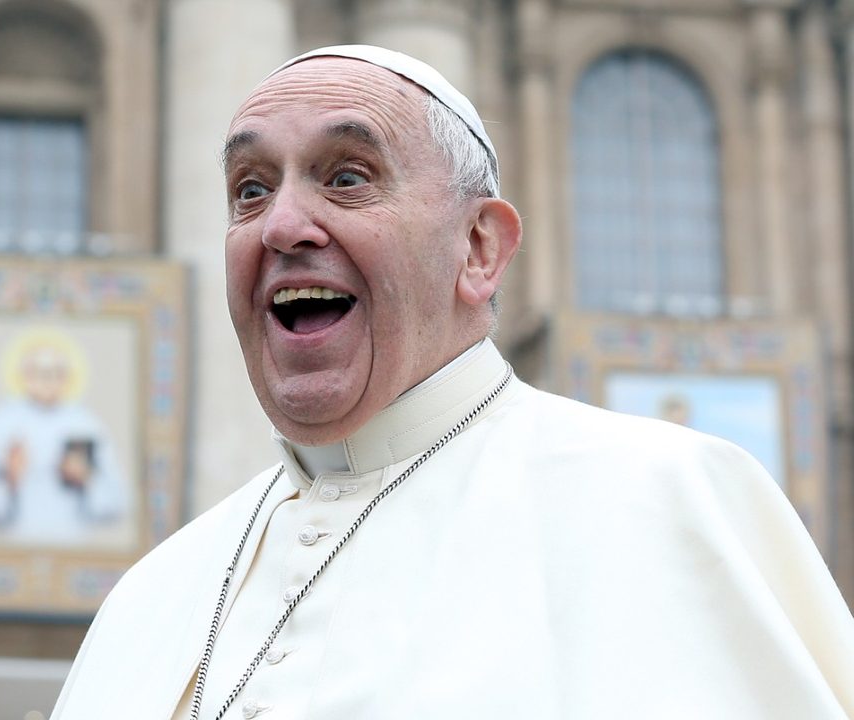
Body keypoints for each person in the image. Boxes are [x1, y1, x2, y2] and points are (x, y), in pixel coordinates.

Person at [50, 45, 854, 718]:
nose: (284, 226)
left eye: (348, 176)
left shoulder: (664, 501)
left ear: (479, 248)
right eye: (250, 191)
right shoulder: (154, 592)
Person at [0, 329, 128, 546]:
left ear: (66, 377)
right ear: (25, 376)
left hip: (71, 546)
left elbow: (118, 501)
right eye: (39, 372)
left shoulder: (85, 424)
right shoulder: (0, 423)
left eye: (55, 372)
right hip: (15, 546)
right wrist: (9, 481)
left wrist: (86, 479)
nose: (47, 380)